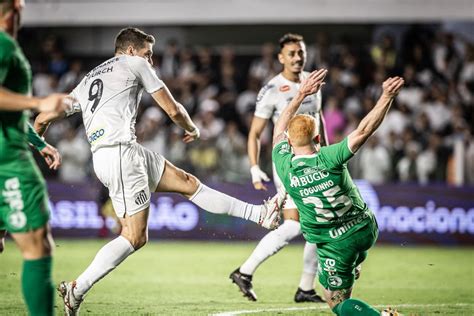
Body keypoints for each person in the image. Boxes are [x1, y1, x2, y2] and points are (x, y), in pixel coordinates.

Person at [34, 27, 283, 315]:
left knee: (188, 182)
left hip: (122, 152)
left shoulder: (90, 78)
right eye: (147, 54)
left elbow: (43, 117)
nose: (150, 61)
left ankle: (259, 215)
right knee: (135, 236)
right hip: (119, 156)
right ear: (130, 50)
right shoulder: (134, 64)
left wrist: (40, 143)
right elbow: (173, 109)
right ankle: (77, 289)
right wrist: (191, 128)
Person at [271, 69, 404, 315]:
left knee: (335, 300)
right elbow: (364, 130)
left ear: (288, 143)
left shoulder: (284, 165)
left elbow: (279, 127)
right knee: (343, 272)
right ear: (319, 138)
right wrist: (386, 96)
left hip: (334, 241)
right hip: (365, 228)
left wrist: (300, 94)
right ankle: (353, 265)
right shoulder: (330, 156)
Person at [230, 33, 327, 303]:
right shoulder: (272, 89)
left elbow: (318, 120)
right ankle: (247, 272)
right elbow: (254, 133)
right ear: (281, 58)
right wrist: (253, 166)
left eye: (301, 52)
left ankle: (302, 287)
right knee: (299, 225)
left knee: (316, 223)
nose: (297, 57)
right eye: (292, 53)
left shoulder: (313, 81)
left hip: (314, 160)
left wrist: (328, 154)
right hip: (288, 163)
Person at [0, 0, 65, 314]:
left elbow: (9, 111)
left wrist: (40, 143)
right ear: (13, 11)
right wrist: (40, 101)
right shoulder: (2, 45)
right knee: (37, 245)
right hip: (6, 164)